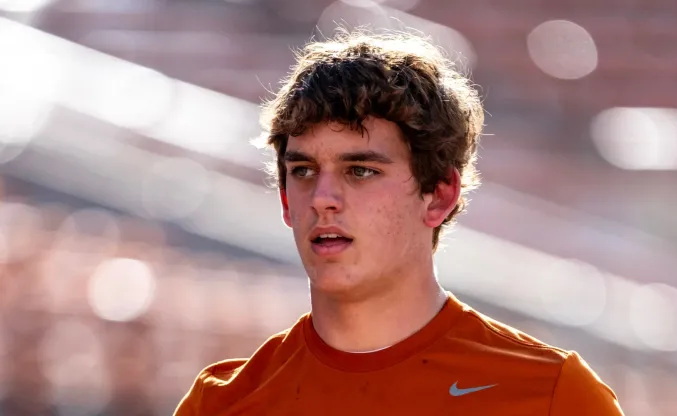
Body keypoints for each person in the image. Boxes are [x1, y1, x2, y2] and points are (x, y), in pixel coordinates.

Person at [174, 29, 624, 415]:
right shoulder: (222, 404)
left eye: (360, 171)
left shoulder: (551, 396)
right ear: (285, 201)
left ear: (440, 195)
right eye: (304, 171)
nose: (323, 200)